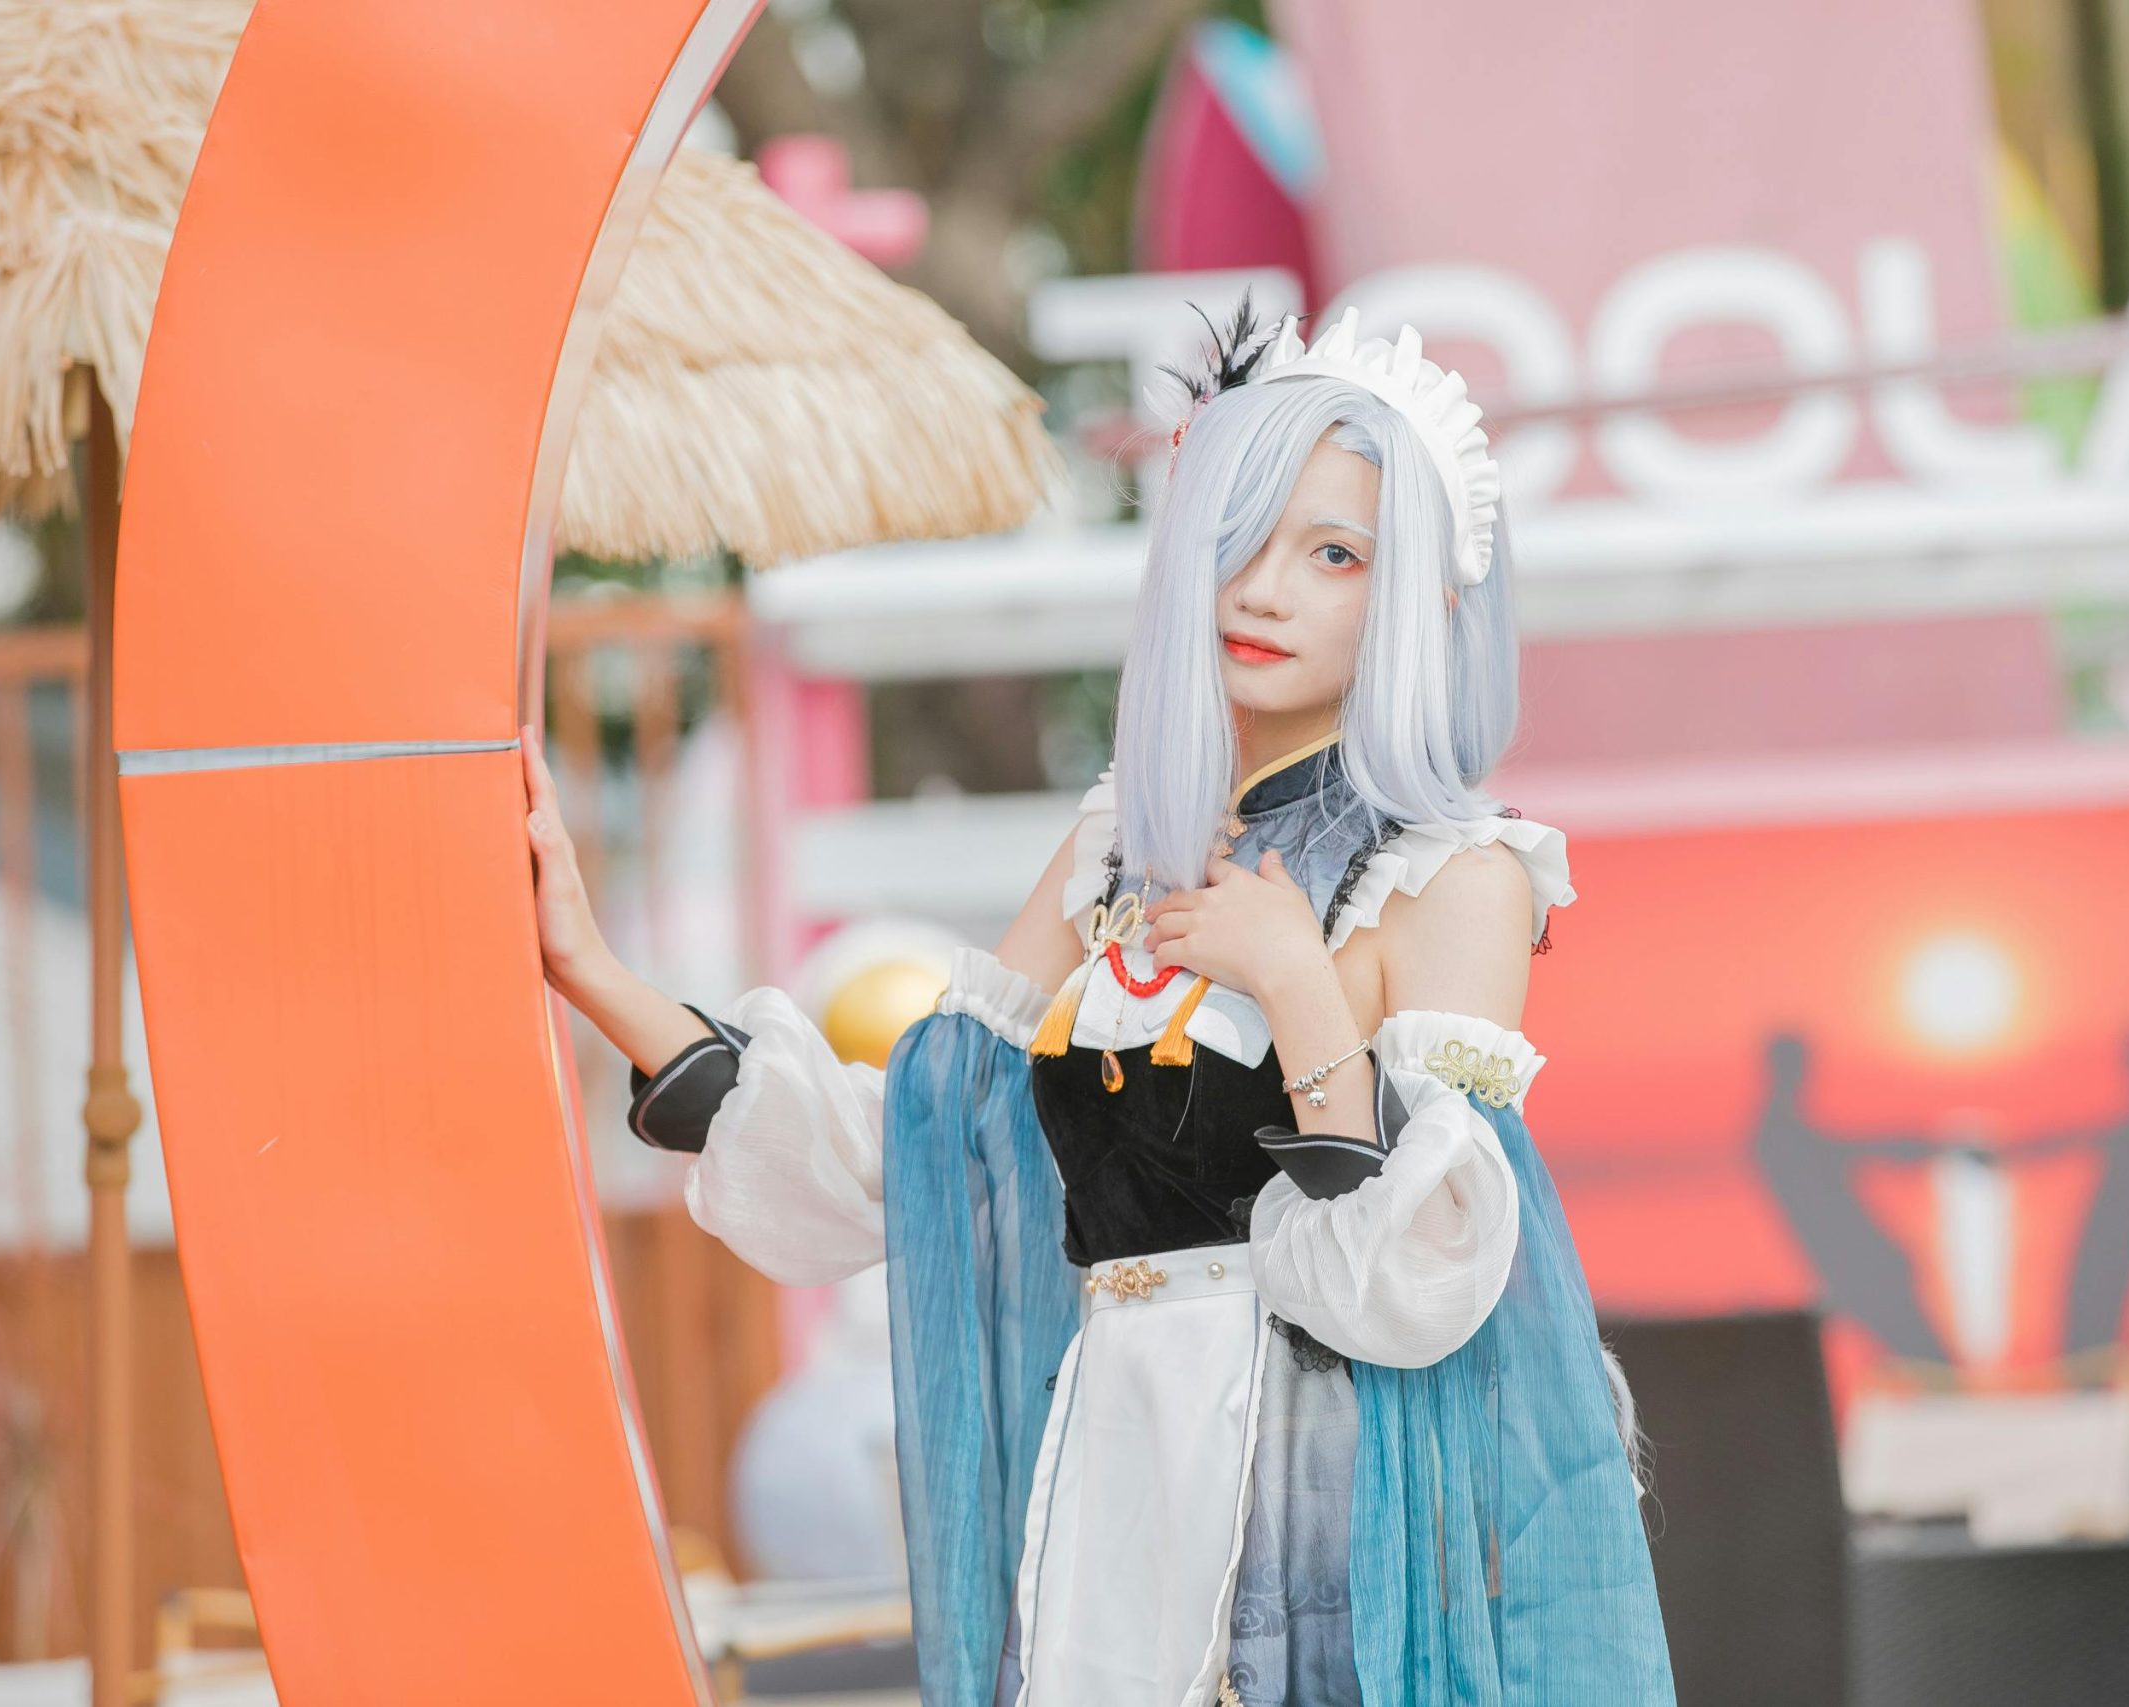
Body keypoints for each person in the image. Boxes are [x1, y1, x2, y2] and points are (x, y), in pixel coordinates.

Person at [523, 305, 1674, 1706]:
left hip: (1314, 1490)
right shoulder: (1119, 847)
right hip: (1110, 1470)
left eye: (1334, 555)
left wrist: (1294, 978)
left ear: (1427, 598)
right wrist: (592, 973)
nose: (1264, 591)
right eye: (1237, 538)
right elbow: (907, 1157)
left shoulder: (1459, 874)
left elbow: (1418, 1287)